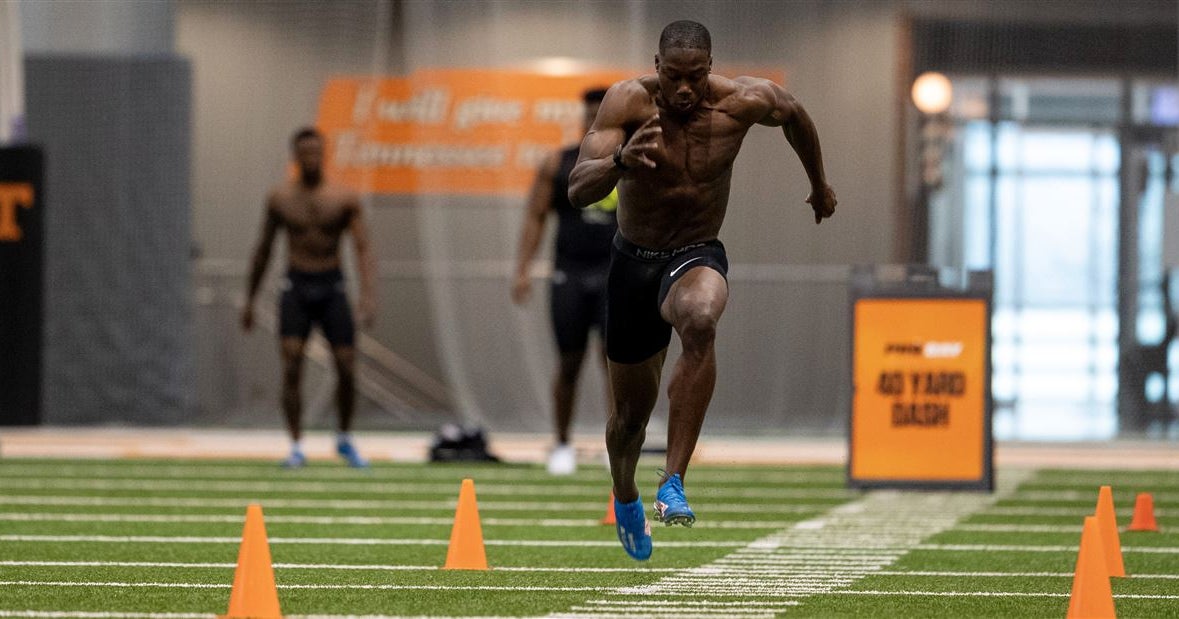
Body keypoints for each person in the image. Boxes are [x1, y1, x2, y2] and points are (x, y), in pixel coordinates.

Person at [567, 20, 837, 560]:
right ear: (657, 67)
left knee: (701, 317)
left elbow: (797, 116)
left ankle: (673, 481)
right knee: (627, 423)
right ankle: (626, 495)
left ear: (710, 68)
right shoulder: (627, 102)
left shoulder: (743, 100)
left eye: (695, 77)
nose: (684, 90)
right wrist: (619, 162)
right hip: (633, 262)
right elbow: (577, 190)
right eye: (673, 78)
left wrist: (818, 183)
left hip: (695, 250)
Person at [241, 127, 377, 469]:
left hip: (332, 286)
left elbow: (363, 248)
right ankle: (297, 444)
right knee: (291, 365)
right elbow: (263, 250)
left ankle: (344, 437)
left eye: (317, 152)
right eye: (305, 152)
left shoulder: (343, 197)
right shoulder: (281, 198)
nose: (311, 158)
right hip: (296, 286)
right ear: (295, 156)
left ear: (324, 154)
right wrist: (250, 299)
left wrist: (368, 295)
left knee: (347, 366)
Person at [512, 87, 618, 476]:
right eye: (589, 115)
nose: (595, 122)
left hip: (615, 274)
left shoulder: (627, 161)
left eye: (601, 115)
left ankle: (617, 445)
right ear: (582, 119)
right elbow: (535, 216)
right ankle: (560, 444)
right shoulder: (558, 163)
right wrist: (523, 267)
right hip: (569, 272)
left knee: (615, 363)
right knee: (569, 362)